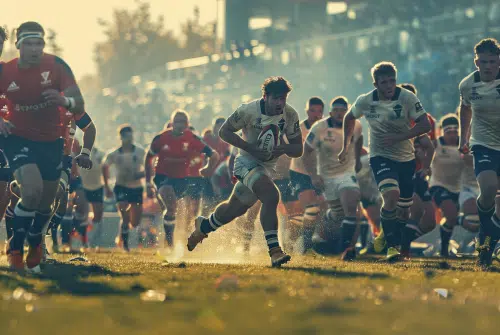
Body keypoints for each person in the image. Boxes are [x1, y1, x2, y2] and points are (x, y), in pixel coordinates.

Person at [186, 76, 303, 267]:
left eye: (284, 98)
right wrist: (250, 147)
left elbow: (298, 149)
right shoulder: (248, 110)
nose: (280, 103)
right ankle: (274, 251)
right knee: (271, 196)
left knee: (234, 210)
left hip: (266, 168)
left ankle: (204, 226)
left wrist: (282, 149)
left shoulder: (290, 115)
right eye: (276, 99)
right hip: (245, 162)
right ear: (265, 96)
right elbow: (224, 132)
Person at [0, 21, 88, 270]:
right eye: (29, 43)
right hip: (18, 139)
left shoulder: (57, 67)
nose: (34, 49)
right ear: (18, 45)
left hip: (51, 142)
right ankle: (16, 247)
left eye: (39, 43)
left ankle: (36, 239)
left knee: (47, 202)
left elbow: (79, 103)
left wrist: (65, 100)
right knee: (31, 191)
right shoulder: (5, 72)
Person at [339, 62, 432, 261]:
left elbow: (425, 124)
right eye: (384, 82)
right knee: (391, 195)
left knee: (404, 210)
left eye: (392, 81)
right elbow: (349, 117)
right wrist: (345, 146)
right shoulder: (366, 101)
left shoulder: (407, 98)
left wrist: (401, 137)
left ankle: (385, 233)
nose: (389, 86)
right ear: (376, 84)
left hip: (406, 159)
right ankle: (392, 247)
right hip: (380, 156)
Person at [145, 111, 219, 249]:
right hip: (163, 177)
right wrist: (148, 182)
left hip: (183, 179)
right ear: (172, 123)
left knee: (180, 210)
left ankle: (177, 234)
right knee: (171, 205)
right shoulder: (161, 138)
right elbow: (148, 157)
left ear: (187, 124)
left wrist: (209, 168)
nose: (180, 125)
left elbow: (214, 154)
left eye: (183, 122)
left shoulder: (192, 138)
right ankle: (169, 241)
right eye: (177, 121)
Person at [303, 96, 363, 261]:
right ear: (330, 112)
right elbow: (306, 151)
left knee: (351, 206)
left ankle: (345, 249)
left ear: (348, 111)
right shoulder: (319, 127)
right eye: (336, 110)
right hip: (327, 176)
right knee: (339, 214)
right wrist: (313, 175)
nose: (339, 114)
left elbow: (359, 139)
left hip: (347, 174)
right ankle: (327, 220)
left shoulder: (356, 124)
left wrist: (357, 160)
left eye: (343, 110)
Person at [458, 38, 500, 267]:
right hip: (483, 144)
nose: (488, 66)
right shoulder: (467, 85)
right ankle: (486, 227)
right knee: (489, 187)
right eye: (484, 61)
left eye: (493, 62)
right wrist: (465, 137)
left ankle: (485, 248)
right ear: (476, 62)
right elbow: (465, 108)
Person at [288, 97, 325, 251]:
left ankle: (296, 240)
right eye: (312, 110)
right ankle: (305, 245)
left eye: (319, 111)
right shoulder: (299, 129)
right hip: (299, 172)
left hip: (318, 173)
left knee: (316, 210)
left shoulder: (326, 128)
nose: (316, 114)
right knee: (310, 208)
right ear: (307, 111)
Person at [102, 125, 146, 252]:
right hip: (121, 186)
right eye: (126, 136)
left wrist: (140, 175)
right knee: (124, 215)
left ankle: (123, 235)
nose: (129, 138)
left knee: (135, 222)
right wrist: (106, 187)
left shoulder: (140, 151)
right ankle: (125, 244)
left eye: (130, 135)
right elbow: (104, 166)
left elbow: (150, 167)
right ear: (120, 137)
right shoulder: (114, 153)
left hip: (136, 187)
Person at [426, 114, 464, 257]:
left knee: (451, 220)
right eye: (449, 132)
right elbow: (424, 157)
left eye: (456, 131)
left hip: (459, 187)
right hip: (438, 185)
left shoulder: (464, 146)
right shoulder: (436, 144)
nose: (453, 135)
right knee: (451, 214)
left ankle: (443, 248)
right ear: (442, 131)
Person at [202, 118, 231, 213]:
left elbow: (228, 157)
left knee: (220, 203)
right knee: (207, 204)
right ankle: (203, 224)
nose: (221, 128)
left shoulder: (226, 141)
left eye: (223, 126)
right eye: (219, 126)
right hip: (207, 176)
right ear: (214, 127)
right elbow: (202, 157)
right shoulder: (207, 139)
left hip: (221, 178)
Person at [79, 147, 105, 248]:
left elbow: (105, 166)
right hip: (83, 186)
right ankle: (84, 242)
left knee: (98, 215)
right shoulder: (80, 152)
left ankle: (94, 240)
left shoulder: (100, 154)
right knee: (83, 213)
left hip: (97, 186)